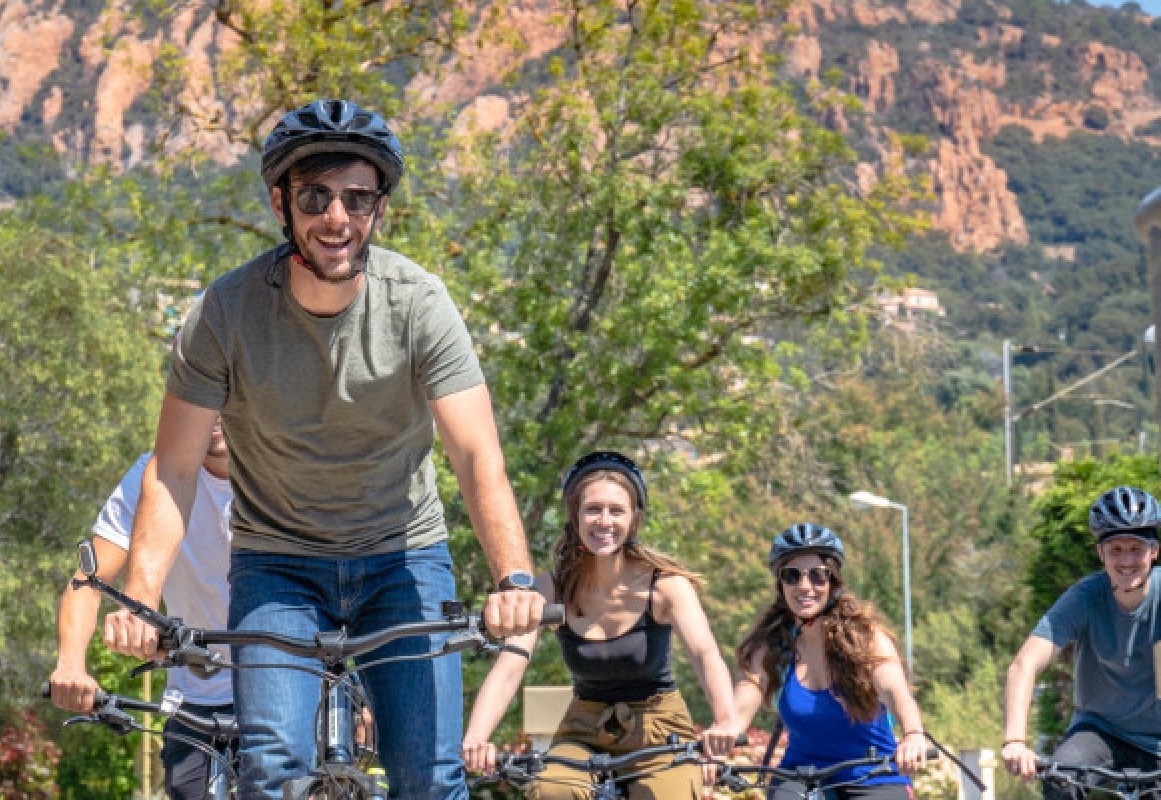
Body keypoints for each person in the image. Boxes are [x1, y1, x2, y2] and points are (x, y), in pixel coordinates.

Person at [101, 99, 545, 800]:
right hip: (277, 562)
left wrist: (514, 580)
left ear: (379, 209)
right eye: (314, 196)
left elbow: (476, 456)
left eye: (357, 198)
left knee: (429, 776)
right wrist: (140, 601)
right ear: (281, 204)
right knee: (272, 769)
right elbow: (174, 467)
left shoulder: (419, 303)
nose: (336, 218)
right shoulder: (225, 313)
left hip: (402, 554)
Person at [462, 450, 739, 799]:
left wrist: (725, 721)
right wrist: (477, 737)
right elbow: (510, 666)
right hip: (583, 728)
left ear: (634, 519)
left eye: (616, 510)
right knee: (552, 790)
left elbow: (705, 655)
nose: (604, 521)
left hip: (659, 728)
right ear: (575, 515)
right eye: (593, 509)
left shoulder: (666, 586)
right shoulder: (551, 589)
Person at [49, 419, 233, 800]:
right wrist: (71, 665)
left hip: (287, 682)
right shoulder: (155, 476)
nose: (214, 410)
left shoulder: (282, 468)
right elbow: (87, 582)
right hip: (196, 700)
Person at [732, 523, 928, 800]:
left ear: (833, 582)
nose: (805, 586)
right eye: (792, 576)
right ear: (781, 584)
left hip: (872, 773)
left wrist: (913, 734)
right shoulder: (770, 646)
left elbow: (896, 692)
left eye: (817, 575)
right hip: (801, 776)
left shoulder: (867, 639)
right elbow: (745, 698)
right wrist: (723, 734)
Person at [1002, 485, 1161, 795]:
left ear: (1153, 551)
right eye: (1116, 550)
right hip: (1100, 730)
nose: (1126, 560)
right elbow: (1025, 664)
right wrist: (1015, 741)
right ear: (1100, 553)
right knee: (1061, 779)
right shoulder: (1085, 597)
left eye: (1136, 549)